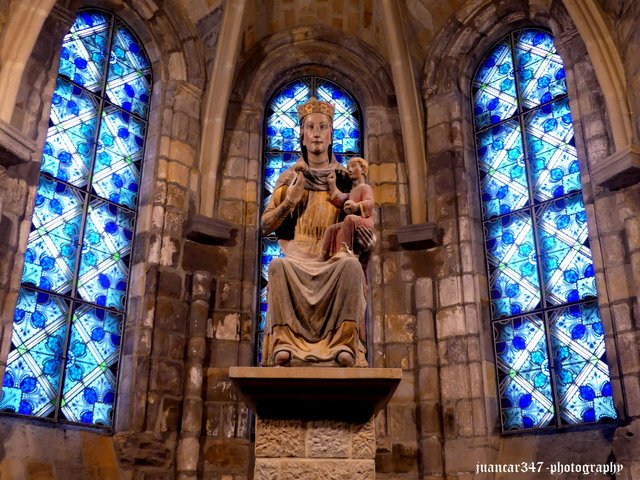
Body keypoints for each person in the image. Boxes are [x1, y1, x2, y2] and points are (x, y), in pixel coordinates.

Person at [260, 97, 375, 367]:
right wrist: (290, 201)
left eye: (323, 127)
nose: (316, 133)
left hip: (334, 256)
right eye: (310, 127)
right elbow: (266, 224)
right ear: (301, 134)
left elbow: (364, 221)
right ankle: (285, 342)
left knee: (351, 268)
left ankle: (343, 344)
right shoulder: (291, 178)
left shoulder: (345, 178)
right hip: (298, 255)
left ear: (331, 134)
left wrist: (367, 243)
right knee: (277, 268)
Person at [317, 157, 375, 263]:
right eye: (348, 167)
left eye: (353, 166)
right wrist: (332, 184)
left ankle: (346, 249)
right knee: (331, 228)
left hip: (365, 221)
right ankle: (323, 255)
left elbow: (370, 203)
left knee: (349, 219)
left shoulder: (365, 188)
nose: (349, 170)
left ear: (362, 169)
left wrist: (356, 206)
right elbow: (341, 199)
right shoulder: (352, 192)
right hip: (352, 222)